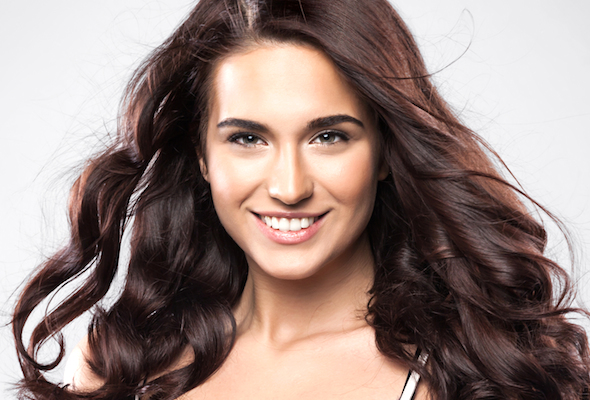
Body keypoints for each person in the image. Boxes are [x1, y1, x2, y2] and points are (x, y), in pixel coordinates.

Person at [12, 0, 590, 399]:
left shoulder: (472, 375)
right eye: (247, 139)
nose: (289, 188)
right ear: (202, 155)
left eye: (329, 137)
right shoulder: (123, 365)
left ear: (384, 151)